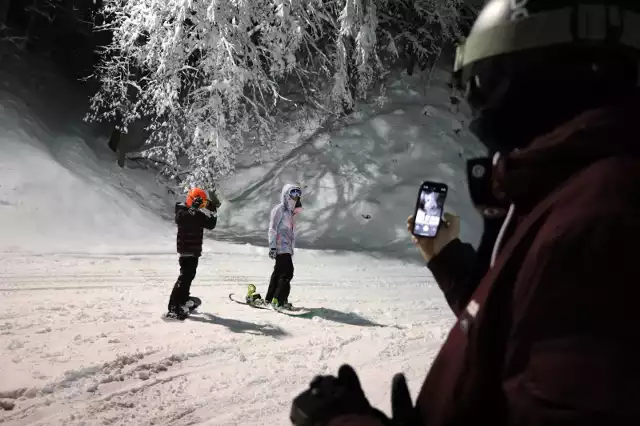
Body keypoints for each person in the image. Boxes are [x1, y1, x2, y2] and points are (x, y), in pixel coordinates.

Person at [289, 1, 640, 425]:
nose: (477, 103)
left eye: (487, 79)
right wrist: (445, 256)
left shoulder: (600, 219)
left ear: (548, 70)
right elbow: (511, 326)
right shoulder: (568, 193)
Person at [166, 187, 219, 320]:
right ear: (192, 200)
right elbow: (180, 219)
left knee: (189, 276)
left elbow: (211, 225)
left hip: (195, 251)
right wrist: (193, 209)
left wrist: (213, 211)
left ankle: (183, 300)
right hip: (185, 249)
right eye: (199, 202)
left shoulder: (199, 214)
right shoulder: (182, 210)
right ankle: (173, 306)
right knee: (184, 277)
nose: (200, 205)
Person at [251, 183, 302, 309]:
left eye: (298, 193)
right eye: (293, 192)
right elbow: (272, 229)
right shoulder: (279, 209)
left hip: (287, 248)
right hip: (280, 247)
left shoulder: (290, 213)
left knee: (278, 273)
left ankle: (271, 299)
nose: (295, 196)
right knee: (287, 273)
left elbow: (291, 233)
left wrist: (291, 249)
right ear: (286, 194)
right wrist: (272, 247)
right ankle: (278, 300)